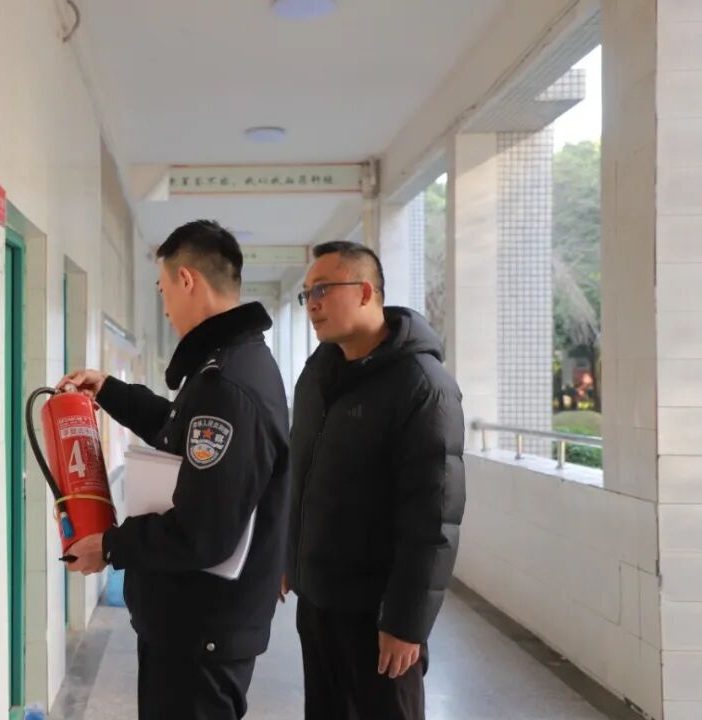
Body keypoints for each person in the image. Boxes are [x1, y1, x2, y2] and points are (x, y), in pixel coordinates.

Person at [59, 220, 289, 720]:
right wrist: (111, 391)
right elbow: (179, 432)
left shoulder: (229, 384)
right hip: (196, 625)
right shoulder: (228, 365)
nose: (164, 306)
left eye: (163, 289)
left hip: (201, 633)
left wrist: (111, 546)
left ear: (187, 280)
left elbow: (204, 534)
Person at [283, 241, 465, 720]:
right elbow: (301, 477)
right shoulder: (317, 375)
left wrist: (406, 622)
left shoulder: (422, 385)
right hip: (318, 602)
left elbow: (434, 516)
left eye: (322, 289)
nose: (312, 304)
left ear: (365, 292)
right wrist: (290, 555)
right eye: (306, 294)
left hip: (379, 613)